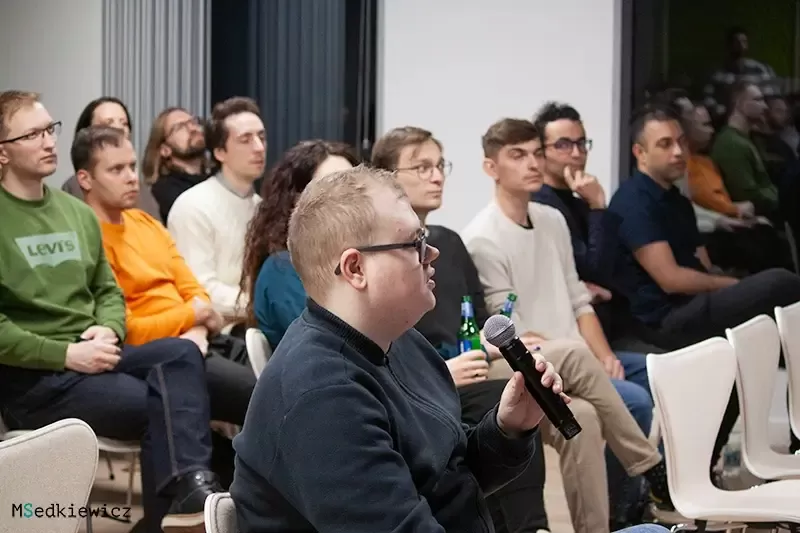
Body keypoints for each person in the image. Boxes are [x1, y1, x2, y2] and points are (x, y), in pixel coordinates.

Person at [230, 164, 667, 533]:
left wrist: (508, 427)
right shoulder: (322, 395)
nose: (433, 253)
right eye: (414, 243)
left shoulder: (401, 342)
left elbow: (449, 479)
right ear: (356, 268)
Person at [0, 90, 222, 532]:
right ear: (3, 152)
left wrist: (108, 328)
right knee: (163, 405)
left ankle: (186, 499)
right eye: (33, 134)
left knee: (181, 354)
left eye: (50, 130)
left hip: (96, 355)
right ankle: (175, 513)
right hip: (37, 379)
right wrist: (65, 354)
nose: (49, 142)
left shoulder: (75, 213)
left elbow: (107, 291)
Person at [462, 118, 671, 532]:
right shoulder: (482, 237)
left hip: (570, 357)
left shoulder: (552, 219)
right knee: (584, 362)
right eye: (517, 155)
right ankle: (651, 468)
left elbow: (577, 297)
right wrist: (563, 352)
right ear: (491, 167)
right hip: (524, 360)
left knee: (586, 417)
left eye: (536, 153)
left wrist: (603, 355)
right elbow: (509, 327)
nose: (532, 163)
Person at [608, 103, 800, 471]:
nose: (678, 151)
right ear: (640, 153)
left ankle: (703, 465)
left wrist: (733, 291)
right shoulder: (633, 201)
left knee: (752, 348)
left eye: (681, 141)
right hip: (663, 320)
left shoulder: (677, 201)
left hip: (692, 307)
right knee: (782, 283)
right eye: (665, 144)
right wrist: (736, 286)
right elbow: (671, 278)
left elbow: (702, 264)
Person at [75, 124, 257, 487]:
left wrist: (196, 327)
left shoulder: (146, 223)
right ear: (85, 179)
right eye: (116, 169)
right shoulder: (87, 237)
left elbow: (195, 291)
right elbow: (126, 328)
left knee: (282, 382)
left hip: (201, 340)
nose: (132, 177)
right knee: (266, 399)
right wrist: (191, 319)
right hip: (157, 356)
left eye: (131, 166)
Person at [241, 140, 360, 349]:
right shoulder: (282, 268)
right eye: (332, 187)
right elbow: (335, 342)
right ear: (297, 200)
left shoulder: (353, 256)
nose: (349, 199)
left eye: (355, 187)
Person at [168, 97, 265, 334]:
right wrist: (264, 304)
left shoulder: (261, 207)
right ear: (220, 152)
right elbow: (201, 288)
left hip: (257, 324)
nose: (259, 148)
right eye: (245, 139)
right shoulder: (193, 205)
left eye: (261, 137)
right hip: (218, 333)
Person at [61, 96, 161, 220]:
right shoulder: (75, 186)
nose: (119, 128)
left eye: (124, 123)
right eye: (107, 123)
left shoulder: (140, 188)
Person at [142, 107, 211, 222]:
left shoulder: (218, 176)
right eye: (180, 127)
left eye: (193, 122)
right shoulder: (165, 190)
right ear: (165, 150)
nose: (192, 128)